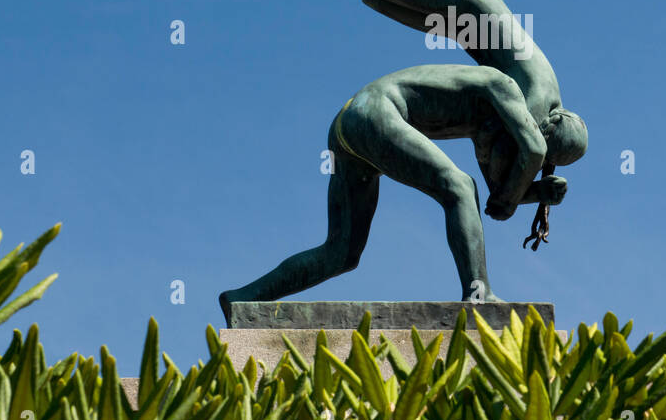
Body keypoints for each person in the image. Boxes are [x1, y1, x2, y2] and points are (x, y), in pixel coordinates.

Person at [343, 0, 587, 242]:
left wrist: (533, 194)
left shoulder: (530, 109)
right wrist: (516, 195)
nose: (539, 132)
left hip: (462, 27)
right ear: (554, 119)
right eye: (547, 134)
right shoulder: (539, 98)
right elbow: (529, 154)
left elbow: (502, 164)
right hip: (473, 8)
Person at [218, 64, 567, 317]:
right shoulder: (504, 86)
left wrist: (537, 193)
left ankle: (244, 297)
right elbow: (533, 150)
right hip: (376, 113)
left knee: (341, 253)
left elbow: (494, 203)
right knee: (459, 186)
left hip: (351, 126)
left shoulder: (489, 127)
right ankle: (480, 296)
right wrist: (522, 185)